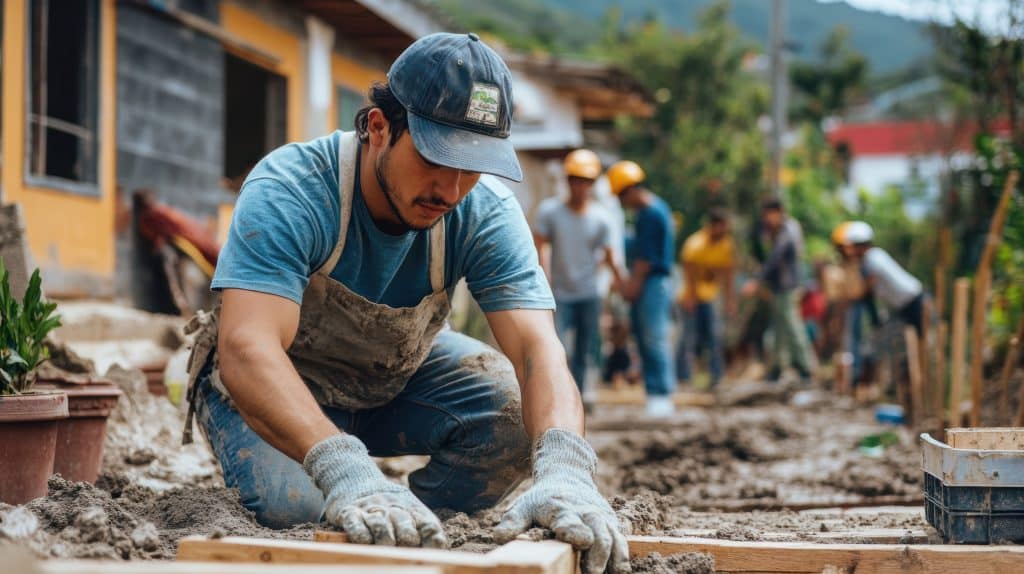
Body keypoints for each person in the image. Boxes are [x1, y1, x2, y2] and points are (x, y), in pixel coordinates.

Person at [182, 33, 629, 574]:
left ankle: (414, 520)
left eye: (472, 165)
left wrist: (565, 468)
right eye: (435, 158)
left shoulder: (484, 212)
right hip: (272, 391)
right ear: (377, 128)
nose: (451, 187)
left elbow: (538, 350)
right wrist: (344, 467)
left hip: (390, 380)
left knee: (515, 416)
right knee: (299, 510)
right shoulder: (293, 188)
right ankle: (349, 484)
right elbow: (247, 347)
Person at [534, 149, 622, 394]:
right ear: (567, 180)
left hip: (588, 293)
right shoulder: (550, 212)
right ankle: (560, 394)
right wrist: (544, 282)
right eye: (575, 179)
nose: (580, 186)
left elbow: (609, 255)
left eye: (585, 181)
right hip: (558, 293)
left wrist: (619, 281)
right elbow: (538, 245)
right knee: (557, 348)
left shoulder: (602, 219)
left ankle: (581, 396)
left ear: (592, 184)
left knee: (586, 349)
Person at [607, 160, 676, 417]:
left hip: (653, 283)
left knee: (653, 337)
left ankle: (661, 394)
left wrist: (632, 286)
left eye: (621, 196)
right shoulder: (653, 211)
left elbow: (645, 261)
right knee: (646, 338)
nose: (622, 203)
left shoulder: (651, 213)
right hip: (649, 282)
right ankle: (654, 393)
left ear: (630, 189)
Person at [743, 197, 816, 384]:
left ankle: (805, 368)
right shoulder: (773, 230)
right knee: (778, 329)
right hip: (779, 287)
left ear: (778, 212)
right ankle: (777, 368)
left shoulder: (788, 229)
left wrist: (758, 281)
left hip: (788, 286)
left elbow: (776, 259)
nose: (767, 219)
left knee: (792, 326)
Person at [676, 208, 736, 389]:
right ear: (712, 226)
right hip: (690, 297)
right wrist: (691, 299)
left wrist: (730, 301)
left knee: (714, 337)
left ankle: (716, 376)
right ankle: (682, 376)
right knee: (688, 338)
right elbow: (689, 273)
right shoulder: (695, 244)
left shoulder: (726, 245)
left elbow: (728, 275)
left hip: (709, 298)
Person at [843, 221, 925, 333]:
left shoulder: (872, 258)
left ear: (861, 245)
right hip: (906, 304)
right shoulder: (874, 256)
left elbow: (868, 287)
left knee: (924, 340)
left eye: (853, 246)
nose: (851, 251)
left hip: (914, 302)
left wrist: (853, 297)